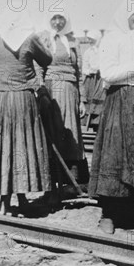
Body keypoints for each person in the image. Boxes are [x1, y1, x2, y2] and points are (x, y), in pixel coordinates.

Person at [89, 0, 134, 234]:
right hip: (120, 100)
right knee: (115, 155)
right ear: (125, 14)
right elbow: (108, 73)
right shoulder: (112, 38)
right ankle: (108, 214)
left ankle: (129, 208)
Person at [0, 11, 53, 214]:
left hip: (0, 100)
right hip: (23, 99)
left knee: (3, 148)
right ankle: (21, 198)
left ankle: (4, 201)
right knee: (22, 146)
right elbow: (47, 59)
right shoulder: (30, 39)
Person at [40, 12, 88, 186]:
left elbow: (79, 71)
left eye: (61, 18)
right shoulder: (43, 38)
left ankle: (73, 176)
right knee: (56, 130)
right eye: (54, 18)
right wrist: (41, 91)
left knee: (72, 132)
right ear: (48, 19)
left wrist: (82, 99)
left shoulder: (73, 40)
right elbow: (38, 67)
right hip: (53, 88)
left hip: (71, 89)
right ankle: (55, 176)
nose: (58, 22)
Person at [82, 30, 106, 131]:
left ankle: (99, 126)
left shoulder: (104, 50)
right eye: (89, 39)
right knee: (90, 103)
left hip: (101, 79)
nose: (90, 41)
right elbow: (84, 68)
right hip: (91, 80)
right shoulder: (88, 52)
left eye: (92, 39)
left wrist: (100, 69)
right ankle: (92, 125)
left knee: (101, 103)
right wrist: (91, 70)